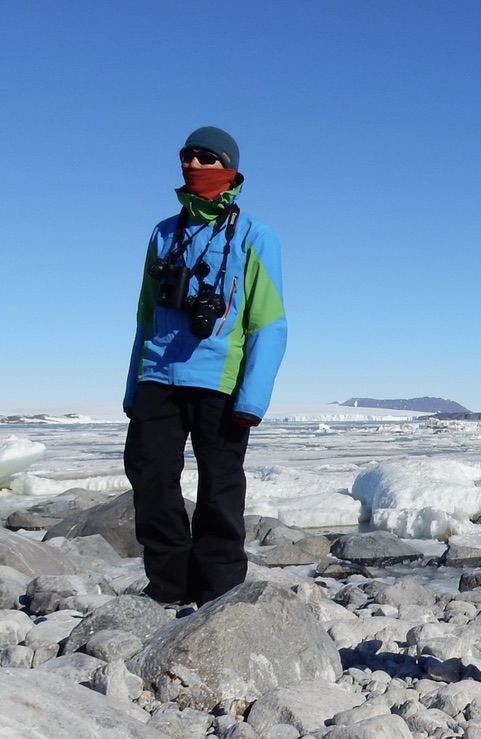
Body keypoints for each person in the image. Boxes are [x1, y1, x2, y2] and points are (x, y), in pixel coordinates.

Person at [123, 126, 287, 607]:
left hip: (220, 383)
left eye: (206, 156)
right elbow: (143, 317)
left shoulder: (257, 236)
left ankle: (219, 589)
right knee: (150, 478)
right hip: (158, 377)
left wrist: (252, 398)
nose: (193, 163)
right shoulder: (163, 233)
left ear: (229, 167)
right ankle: (169, 585)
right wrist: (133, 386)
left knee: (219, 487)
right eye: (187, 154)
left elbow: (270, 324)